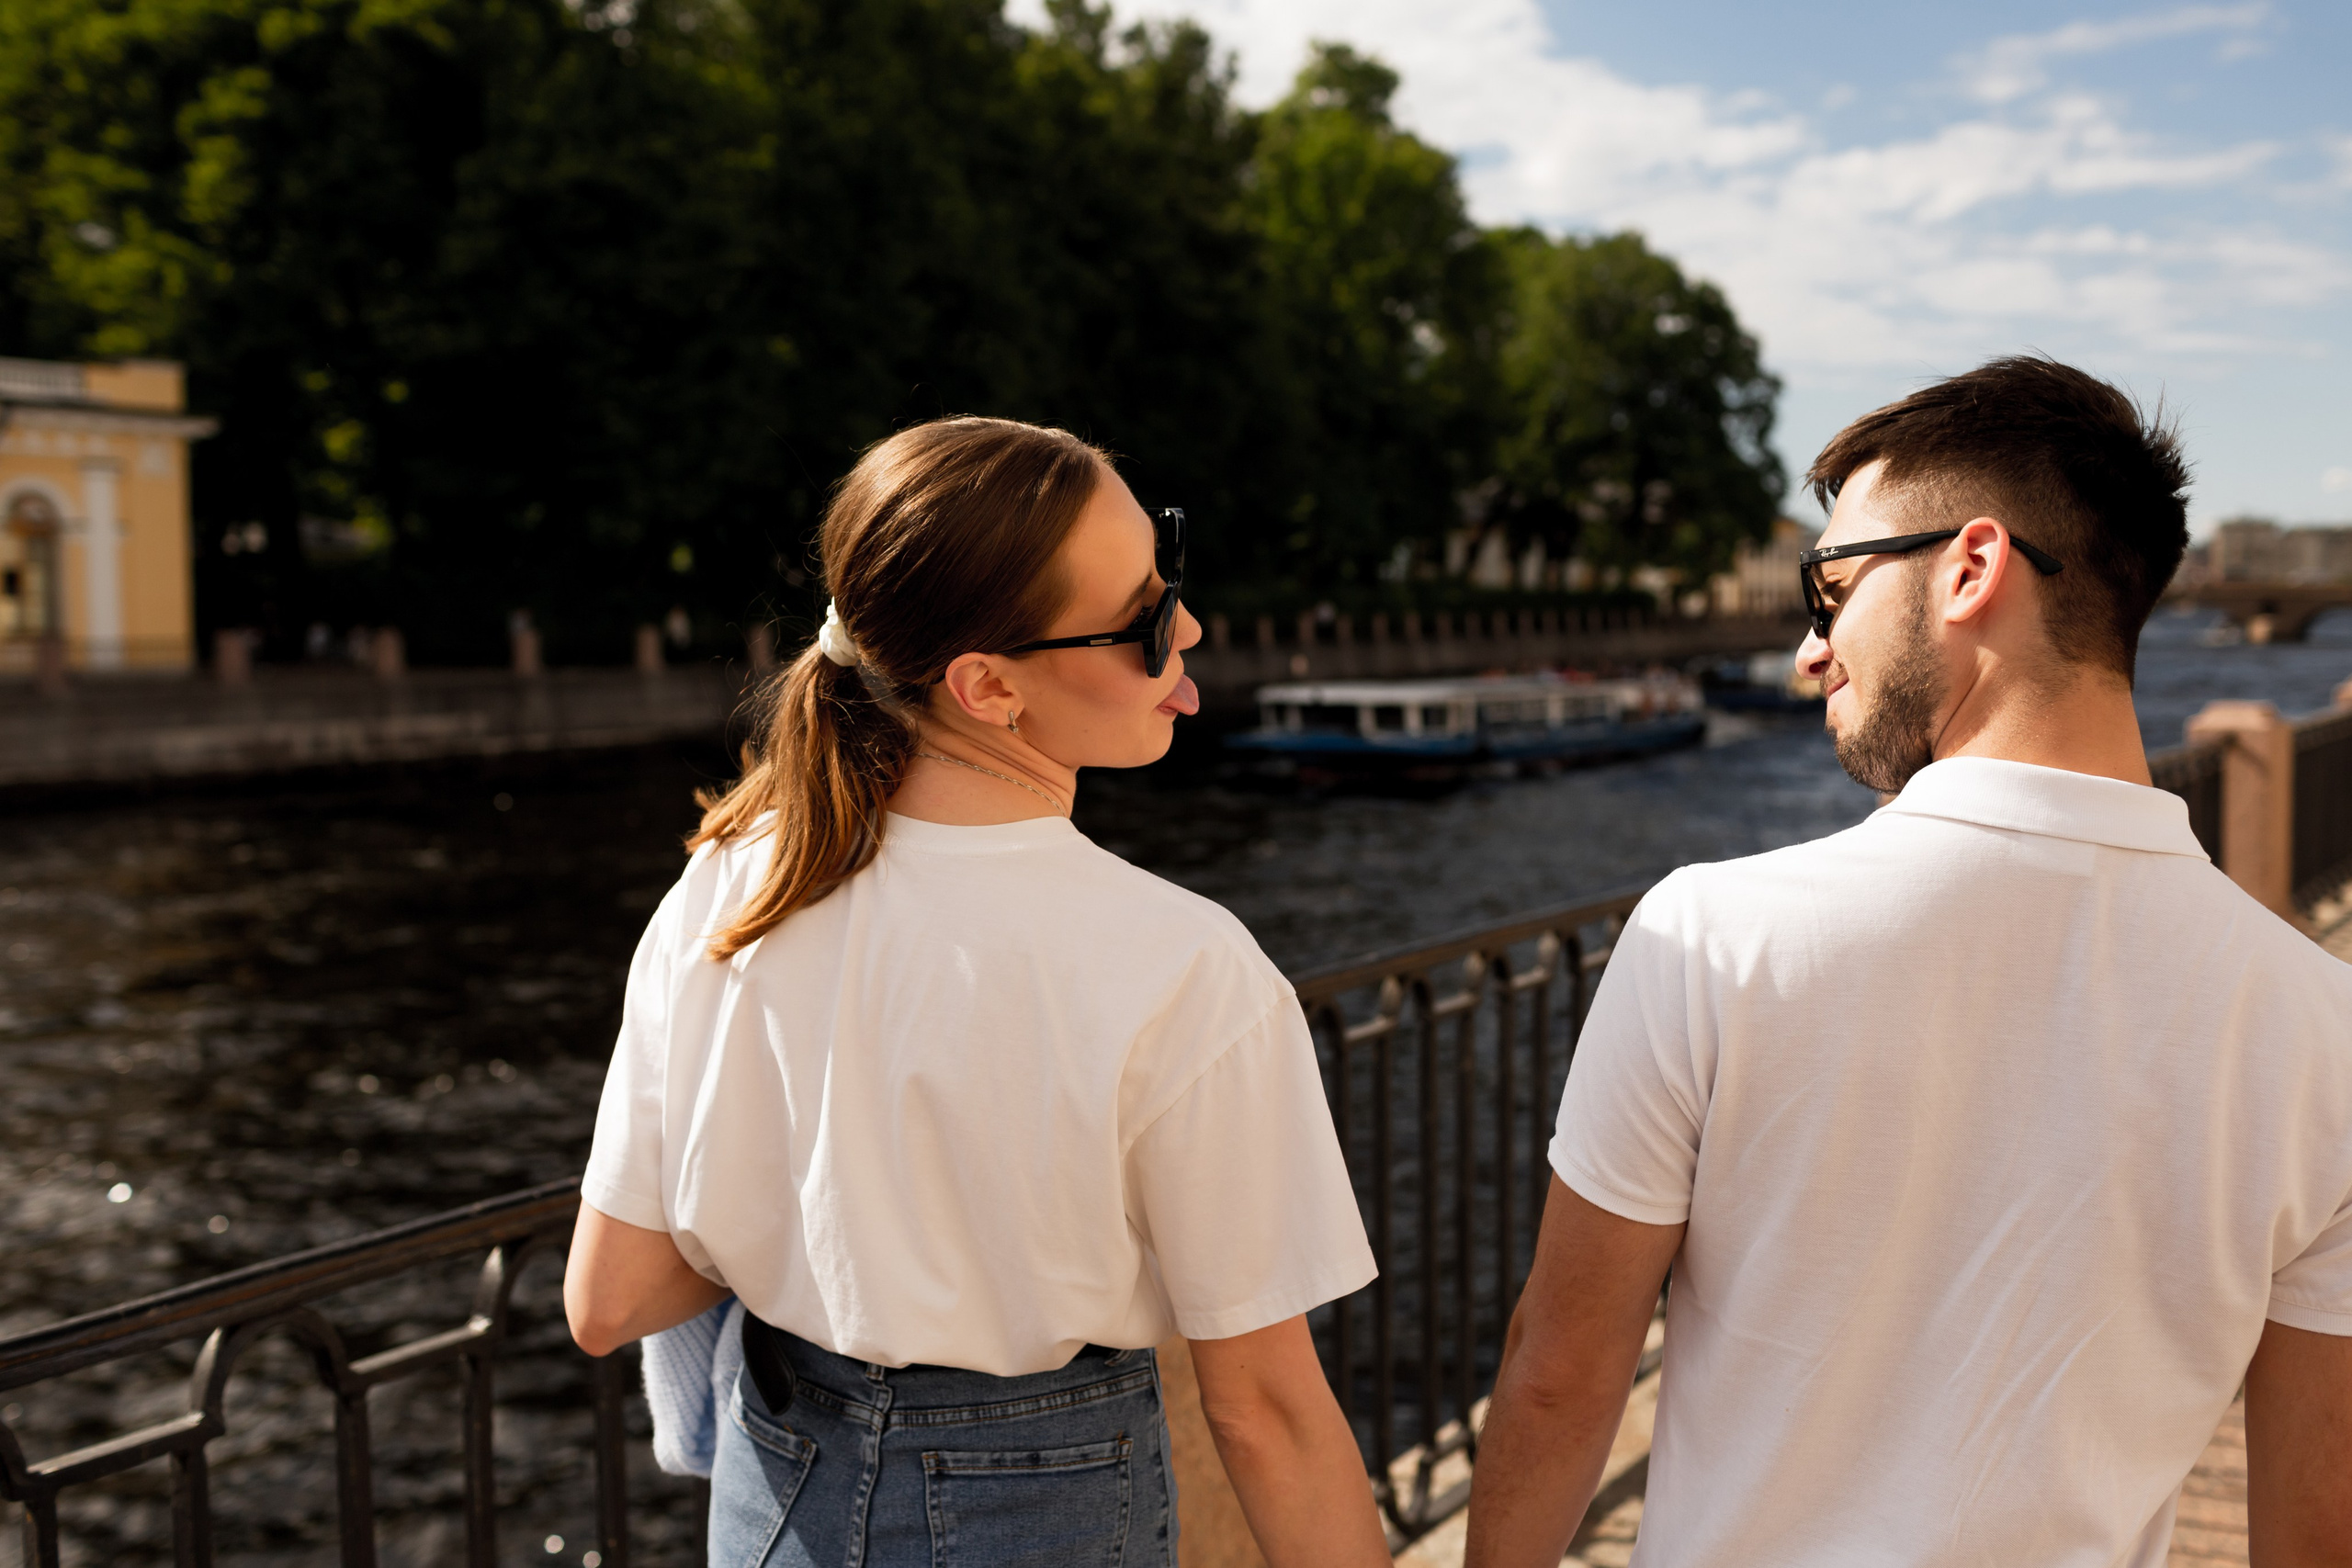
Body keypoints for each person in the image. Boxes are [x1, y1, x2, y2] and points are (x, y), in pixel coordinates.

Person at [1465, 357, 2352, 1565]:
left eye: (1829, 589)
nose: (1807, 652)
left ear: (1972, 568)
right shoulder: (2321, 1023)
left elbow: (1563, 1379)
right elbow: (2314, 1523)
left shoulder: (1709, 938)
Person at [561, 417, 1389, 1567]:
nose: (1188, 627)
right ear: (987, 685)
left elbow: (608, 1300)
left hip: (774, 1489)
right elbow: (1268, 1415)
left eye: (1172, 575)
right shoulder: (1183, 966)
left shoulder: (729, 883)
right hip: (1043, 1500)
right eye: (1145, 615)